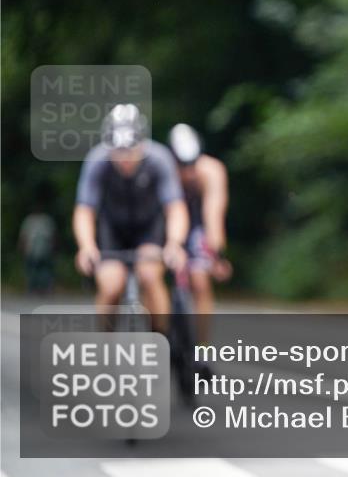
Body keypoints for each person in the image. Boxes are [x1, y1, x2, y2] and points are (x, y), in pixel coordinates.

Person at [73, 104, 188, 334]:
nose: (125, 159)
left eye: (131, 151)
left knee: (149, 274)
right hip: (112, 229)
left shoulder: (159, 159)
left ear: (142, 144)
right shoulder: (97, 161)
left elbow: (175, 207)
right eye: (118, 152)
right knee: (111, 284)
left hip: (149, 227)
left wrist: (174, 243)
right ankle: (104, 347)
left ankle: (162, 337)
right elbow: (85, 210)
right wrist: (86, 246)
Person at [168, 123, 231, 360]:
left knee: (201, 282)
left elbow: (213, 216)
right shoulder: (164, 169)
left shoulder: (212, 170)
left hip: (196, 223)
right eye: (183, 166)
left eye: (192, 164)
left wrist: (218, 257)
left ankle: (203, 349)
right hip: (168, 222)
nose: (189, 172)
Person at [19, 204, 56, 295]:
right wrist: (22, 247)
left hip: (45, 250)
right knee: (31, 271)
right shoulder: (29, 220)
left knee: (45, 271)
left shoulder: (46, 220)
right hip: (31, 250)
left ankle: (45, 289)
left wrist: (53, 247)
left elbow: (53, 236)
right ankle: (32, 289)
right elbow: (24, 236)